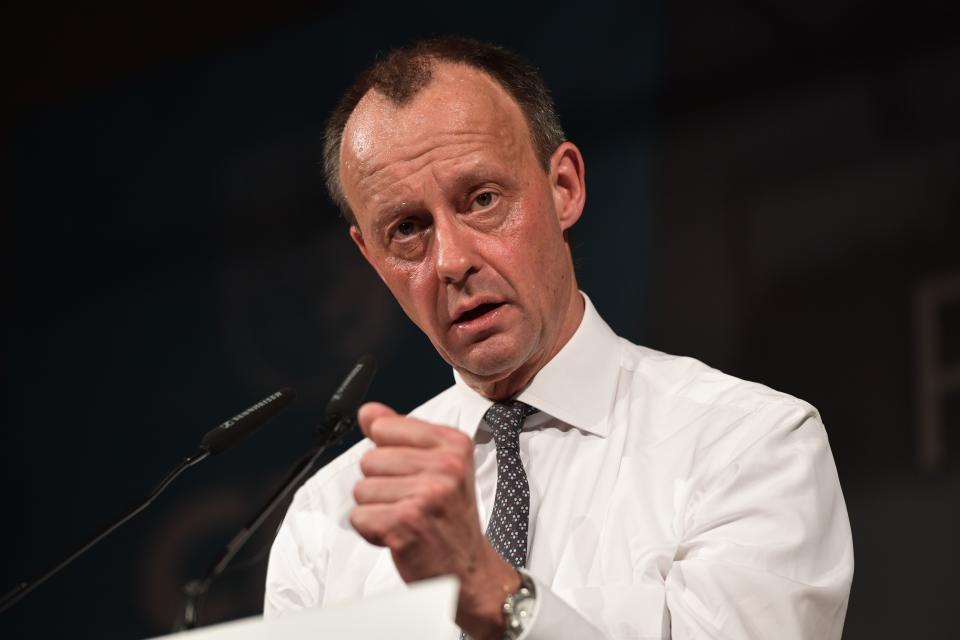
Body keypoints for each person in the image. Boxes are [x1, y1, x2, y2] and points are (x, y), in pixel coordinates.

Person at [264, 37, 853, 640]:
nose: (451, 260)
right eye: (408, 229)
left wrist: (496, 596)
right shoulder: (327, 521)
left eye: (483, 199)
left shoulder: (746, 445)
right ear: (370, 256)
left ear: (564, 187)